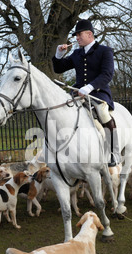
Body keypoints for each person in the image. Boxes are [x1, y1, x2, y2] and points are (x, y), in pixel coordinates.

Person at [52, 19, 120, 167]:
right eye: (76, 35)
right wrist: (58, 55)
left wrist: (90, 87)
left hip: (98, 93)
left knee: (103, 113)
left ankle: (113, 152)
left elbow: (107, 74)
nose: (77, 38)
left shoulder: (105, 51)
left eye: (79, 34)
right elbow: (58, 69)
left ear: (89, 34)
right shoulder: (77, 53)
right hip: (77, 93)